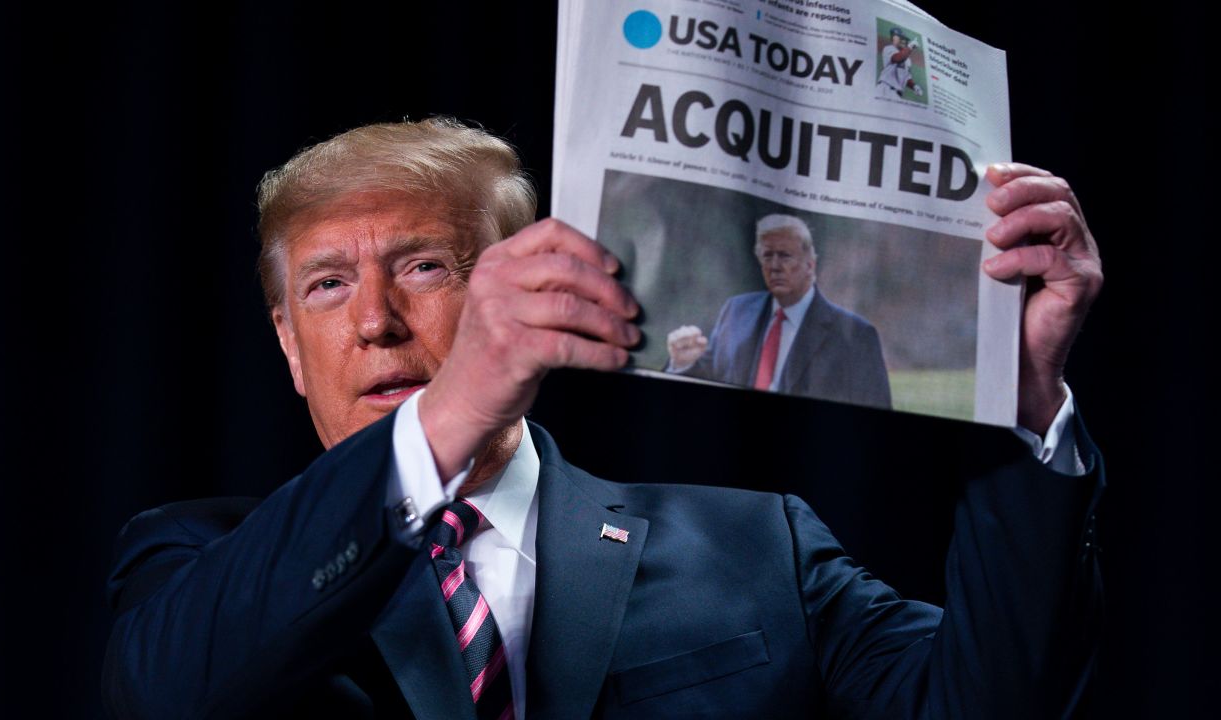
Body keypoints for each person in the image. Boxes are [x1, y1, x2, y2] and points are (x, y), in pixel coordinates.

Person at [104, 118, 1104, 719]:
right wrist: (448, 409)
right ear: (286, 345)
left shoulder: (758, 547)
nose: (374, 320)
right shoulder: (192, 559)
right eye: (326, 286)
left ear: (523, 282)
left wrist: (1019, 403)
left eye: (422, 267)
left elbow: (992, 705)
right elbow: (169, 698)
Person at [664, 215, 892, 409]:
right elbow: (704, 381)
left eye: (784, 256)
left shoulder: (855, 336)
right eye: (767, 256)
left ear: (810, 265)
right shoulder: (736, 311)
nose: (774, 266)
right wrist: (682, 365)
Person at [877, 28, 925, 99]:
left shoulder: (908, 59)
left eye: (904, 39)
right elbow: (897, 58)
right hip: (885, 89)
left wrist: (914, 86)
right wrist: (910, 47)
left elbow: (906, 77)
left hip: (897, 94)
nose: (903, 41)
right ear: (894, 38)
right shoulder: (889, 49)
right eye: (901, 38)